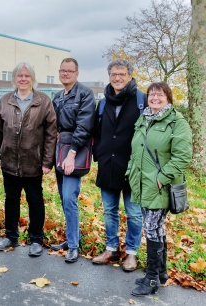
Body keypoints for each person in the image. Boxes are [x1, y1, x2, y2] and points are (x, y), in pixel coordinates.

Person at [127, 82, 192, 296]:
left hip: (159, 185)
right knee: (156, 228)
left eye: (160, 95)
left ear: (169, 98)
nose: (154, 98)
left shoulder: (177, 122)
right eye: (151, 94)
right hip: (142, 182)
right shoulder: (144, 118)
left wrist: (162, 178)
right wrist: (130, 170)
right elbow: (136, 149)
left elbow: (182, 157)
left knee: (152, 228)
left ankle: (152, 278)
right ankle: (161, 272)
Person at [0, 62, 57, 257]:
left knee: (35, 201)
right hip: (9, 162)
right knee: (11, 200)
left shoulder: (43, 101)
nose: (23, 79)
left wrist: (47, 161)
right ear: (15, 79)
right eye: (20, 76)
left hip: (33, 163)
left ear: (32, 79)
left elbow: (51, 134)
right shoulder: (5, 101)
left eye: (27, 76)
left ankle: (36, 239)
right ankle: (11, 236)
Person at [91, 59, 145, 271]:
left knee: (133, 213)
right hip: (108, 164)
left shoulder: (142, 100)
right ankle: (111, 249)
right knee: (110, 211)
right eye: (114, 74)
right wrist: (99, 154)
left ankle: (131, 253)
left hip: (133, 168)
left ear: (130, 76)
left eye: (122, 74)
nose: (118, 78)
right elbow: (96, 132)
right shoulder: (103, 102)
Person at [50, 58, 96, 263]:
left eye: (69, 71)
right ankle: (70, 239)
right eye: (62, 70)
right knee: (63, 197)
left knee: (70, 197)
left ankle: (74, 246)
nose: (65, 74)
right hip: (58, 150)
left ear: (77, 73)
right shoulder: (58, 96)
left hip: (73, 151)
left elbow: (84, 126)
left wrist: (72, 154)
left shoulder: (85, 94)